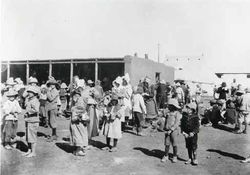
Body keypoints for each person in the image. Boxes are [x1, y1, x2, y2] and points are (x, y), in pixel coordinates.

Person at [161, 98, 182, 163]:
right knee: (167, 143)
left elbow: (177, 123)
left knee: (174, 143)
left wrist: (172, 129)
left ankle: (175, 156)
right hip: (167, 130)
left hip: (174, 131)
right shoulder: (168, 113)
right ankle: (166, 155)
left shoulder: (177, 113)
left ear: (173, 106)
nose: (168, 107)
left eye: (169, 106)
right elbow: (166, 121)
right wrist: (164, 128)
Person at [70, 89, 89, 156]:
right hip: (76, 123)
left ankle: (80, 148)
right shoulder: (74, 107)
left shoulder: (81, 104)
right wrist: (77, 117)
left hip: (81, 123)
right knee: (77, 135)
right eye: (75, 95)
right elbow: (74, 116)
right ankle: (78, 149)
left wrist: (84, 118)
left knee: (82, 134)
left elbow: (84, 113)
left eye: (78, 95)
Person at [22, 86, 40, 157]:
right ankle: (29, 150)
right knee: (28, 136)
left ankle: (33, 152)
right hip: (28, 120)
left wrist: (28, 112)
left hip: (33, 121)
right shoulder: (29, 100)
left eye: (30, 92)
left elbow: (36, 110)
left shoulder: (36, 101)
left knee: (32, 136)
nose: (28, 93)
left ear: (35, 93)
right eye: (28, 92)